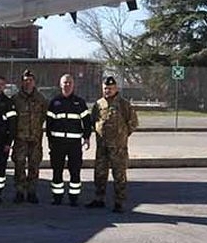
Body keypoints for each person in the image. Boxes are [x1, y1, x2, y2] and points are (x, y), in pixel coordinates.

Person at [87, 76, 139, 213]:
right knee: (100, 173)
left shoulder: (124, 104)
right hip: (102, 147)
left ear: (116, 88)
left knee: (119, 175)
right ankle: (99, 198)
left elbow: (133, 122)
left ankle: (119, 202)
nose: (107, 91)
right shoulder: (98, 104)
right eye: (105, 88)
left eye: (110, 88)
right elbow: (94, 121)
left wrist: (122, 135)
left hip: (118, 148)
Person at [46, 74, 93, 206]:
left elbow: (87, 122)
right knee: (57, 170)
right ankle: (57, 197)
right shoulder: (54, 102)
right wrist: (50, 141)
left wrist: (87, 137)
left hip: (74, 144)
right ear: (60, 85)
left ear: (73, 85)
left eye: (69, 83)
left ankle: (74, 197)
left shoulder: (80, 102)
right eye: (65, 83)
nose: (67, 85)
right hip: (57, 144)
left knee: (75, 171)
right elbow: (49, 124)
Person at [11, 70, 48, 204]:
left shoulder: (41, 98)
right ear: (22, 82)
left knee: (34, 166)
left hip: (35, 139)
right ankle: (20, 191)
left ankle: (32, 191)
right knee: (19, 165)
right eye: (26, 80)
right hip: (20, 139)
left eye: (31, 80)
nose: (28, 82)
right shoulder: (15, 99)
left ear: (34, 82)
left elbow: (44, 115)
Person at [0, 76, 18, 202]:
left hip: (2, 141)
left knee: (0, 168)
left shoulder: (8, 103)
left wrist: (8, 143)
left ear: (4, 86)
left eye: (1, 84)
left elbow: (12, 125)